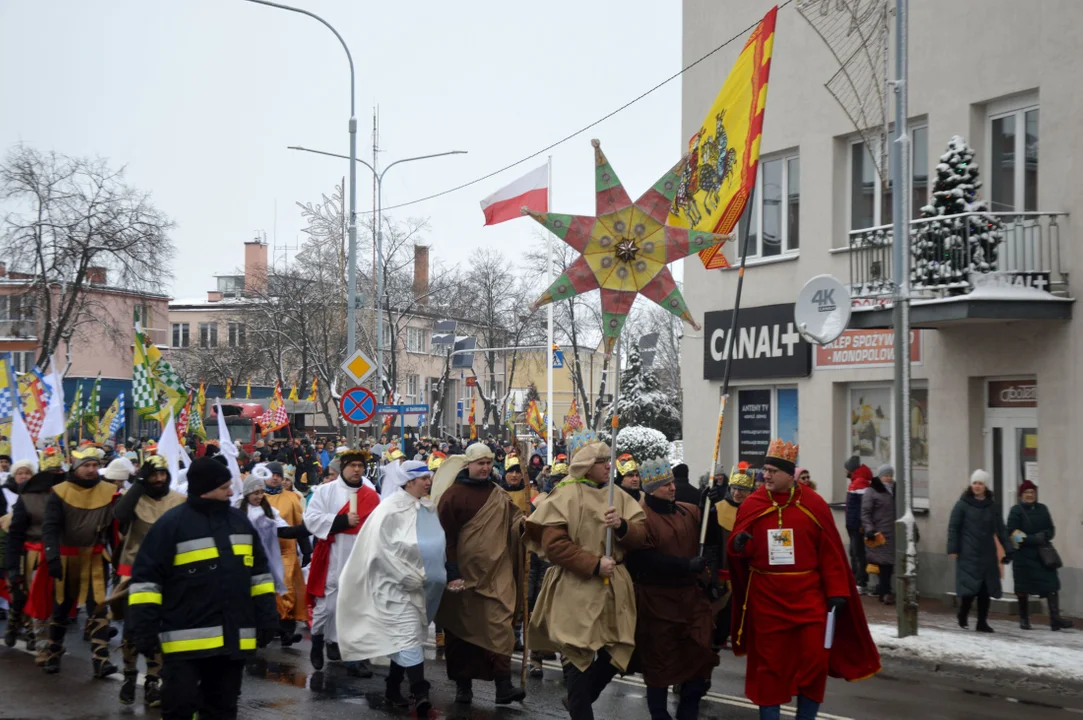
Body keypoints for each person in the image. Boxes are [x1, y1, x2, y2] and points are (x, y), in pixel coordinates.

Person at [729, 439, 880, 719]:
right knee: (770, 668)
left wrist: (837, 591)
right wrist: (739, 545)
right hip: (767, 601)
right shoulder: (753, 503)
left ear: (790, 474)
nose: (767, 475)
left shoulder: (813, 504)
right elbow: (739, 552)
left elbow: (830, 554)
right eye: (765, 470)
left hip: (808, 601)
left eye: (774, 470)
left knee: (814, 663)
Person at [127, 457, 280, 720]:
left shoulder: (240, 522)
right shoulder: (171, 525)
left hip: (232, 642)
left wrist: (267, 616)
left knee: (222, 710)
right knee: (180, 707)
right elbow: (146, 581)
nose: (231, 492)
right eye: (224, 487)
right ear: (204, 489)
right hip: (184, 644)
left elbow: (260, 576)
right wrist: (143, 628)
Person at [525, 438, 648, 720]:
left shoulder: (618, 495)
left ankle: (578, 699)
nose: (608, 467)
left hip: (614, 587)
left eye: (609, 461)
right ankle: (581, 709)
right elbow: (554, 545)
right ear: (587, 467)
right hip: (575, 585)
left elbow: (642, 536)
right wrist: (593, 564)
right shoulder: (565, 495)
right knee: (577, 656)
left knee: (618, 648)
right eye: (602, 462)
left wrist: (622, 527)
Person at [338, 461, 445, 715]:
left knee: (406, 638)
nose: (429, 482)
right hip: (393, 588)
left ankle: (392, 686)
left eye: (429, 478)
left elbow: (438, 547)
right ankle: (420, 692)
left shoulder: (429, 509)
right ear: (409, 482)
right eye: (424, 479)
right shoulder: (388, 510)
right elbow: (378, 549)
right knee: (408, 636)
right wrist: (403, 574)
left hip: (424, 589)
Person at [431, 441, 526, 706]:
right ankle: (463, 687)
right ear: (468, 465)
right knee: (460, 634)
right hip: (463, 577)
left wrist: (524, 526)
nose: (485, 468)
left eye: (488, 463)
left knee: (501, 627)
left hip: (496, 574)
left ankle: (503, 686)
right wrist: (452, 572)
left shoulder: (499, 494)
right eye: (479, 464)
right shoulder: (453, 496)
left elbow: (514, 525)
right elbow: (445, 537)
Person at [628, 457, 719, 720]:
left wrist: (711, 509)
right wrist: (684, 565)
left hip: (692, 601)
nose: (672, 487)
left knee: (699, 657)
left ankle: (688, 711)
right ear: (651, 488)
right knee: (659, 665)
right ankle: (659, 713)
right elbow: (641, 560)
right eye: (665, 484)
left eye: (672, 482)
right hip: (657, 602)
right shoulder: (641, 516)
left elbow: (710, 536)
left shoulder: (688, 510)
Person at [108, 456, 186, 706]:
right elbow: (119, 514)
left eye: (163, 474)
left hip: (168, 574)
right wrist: (139, 482)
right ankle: (130, 676)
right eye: (154, 475)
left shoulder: (179, 501)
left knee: (161, 629)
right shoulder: (134, 500)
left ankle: (153, 681)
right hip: (134, 573)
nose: (159, 479)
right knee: (134, 629)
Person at [41, 446, 117, 677]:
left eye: (95, 465)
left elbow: (116, 527)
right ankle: (53, 653)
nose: (92, 470)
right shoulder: (60, 491)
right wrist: (52, 555)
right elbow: (51, 526)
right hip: (66, 559)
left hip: (95, 559)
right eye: (87, 465)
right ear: (76, 467)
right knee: (62, 609)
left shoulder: (110, 490)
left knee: (99, 609)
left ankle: (101, 660)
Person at [304, 448, 380, 671]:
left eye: (360, 466)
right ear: (342, 468)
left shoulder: (371, 493)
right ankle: (318, 641)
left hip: (360, 555)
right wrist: (341, 521)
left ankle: (350, 652)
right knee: (327, 607)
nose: (357, 470)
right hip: (333, 553)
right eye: (352, 466)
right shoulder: (325, 491)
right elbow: (312, 519)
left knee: (356, 607)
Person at [947, 469, 1012, 633]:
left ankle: (982, 622)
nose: (977, 486)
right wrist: (953, 548)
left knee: (985, 590)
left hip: (987, 553)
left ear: (986, 486)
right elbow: (954, 527)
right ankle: (963, 614)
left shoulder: (992, 506)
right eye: (975, 483)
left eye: (980, 483)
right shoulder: (962, 504)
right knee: (969, 589)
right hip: (968, 552)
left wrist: (1009, 549)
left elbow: (1001, 529)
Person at [1007, 480, 1072, 631]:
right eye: (1027, 493)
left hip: (1043, 556)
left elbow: (1051, 529)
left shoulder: (1043, 509)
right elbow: (1012, 533)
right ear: (1021, 495)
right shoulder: (1016, 511)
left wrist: (1045, 535)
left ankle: (1055, 619)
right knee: (1023, 589)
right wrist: (1032, 539)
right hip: (1023, 557)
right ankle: (1024, 619)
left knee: (1052, 585)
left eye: (1032, 492)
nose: (1030, 495)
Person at [261, 461, 310, 647]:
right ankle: (270, 628)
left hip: (286, 552)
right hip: (265, 553)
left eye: (278, 475)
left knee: (287, 591)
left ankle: (286, 631)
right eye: (271, 474)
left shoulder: (292, 498)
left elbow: (300, 524)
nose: (275, 478)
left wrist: (306, 550)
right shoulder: (258, 497)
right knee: (268, 592)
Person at [2, 459, 45, 651]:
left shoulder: (40, 495)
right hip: (12, 548)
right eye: (20, 473)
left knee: (32, 592)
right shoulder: (4, 493)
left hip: (34, 550)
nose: (24, 476)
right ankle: (13, 625)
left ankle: (30, 632)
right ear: (14, 475)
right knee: (18, 593)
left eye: (27, 472)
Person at [712, 462, 753, 650]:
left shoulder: (754, 512)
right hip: (723, 571)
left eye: (743, 490)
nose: (738, 493)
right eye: (735, 488)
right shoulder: (717, 509)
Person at [861, 465, 896, 604]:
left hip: (893, 533)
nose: (888, 478)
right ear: (879, 476)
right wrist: (869, 529)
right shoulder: (872, 491)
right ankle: (885, 592)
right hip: (879, 533)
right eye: (885, 475)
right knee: (884, 564)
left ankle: (884, 590)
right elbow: (865, 513)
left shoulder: (895, 490)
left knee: (889, 565)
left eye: (890, 475)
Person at [843, 456, 872, 593]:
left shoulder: (860, 482)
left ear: (851, 469)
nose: (844, 471)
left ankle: (860, 582)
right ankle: (856, 581)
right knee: (854, 553)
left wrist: (861, 524)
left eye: (846, 468)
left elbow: (863, 507)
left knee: (858, 553)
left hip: (857, 525)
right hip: (853, 524)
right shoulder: (856, 481)